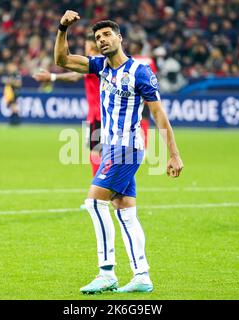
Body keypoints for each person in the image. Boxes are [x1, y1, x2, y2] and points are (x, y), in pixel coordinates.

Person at [55, 11, 184, 294]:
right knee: (125, 212)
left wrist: (173, 154)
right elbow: (62, 60)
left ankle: (107, 272)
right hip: (113, 146)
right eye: (98, 37)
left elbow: (160, 115)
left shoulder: (140, 72)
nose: (102, 40)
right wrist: (62, 28)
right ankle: (142, 275)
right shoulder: (100, 67)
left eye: (107, 35)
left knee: (94, 204)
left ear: (120, 38)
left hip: (127, 147)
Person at [34, 34, 102, 176]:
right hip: (108, 115)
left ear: (90, 46)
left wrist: (52, 77)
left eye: (85, 45)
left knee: (96, 152)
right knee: (109, 153)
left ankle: (99, 186)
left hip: (97, 115)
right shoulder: (108, 62)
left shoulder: (93, 62)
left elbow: (74, 76)